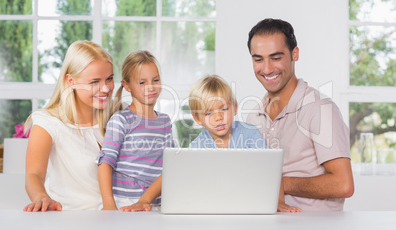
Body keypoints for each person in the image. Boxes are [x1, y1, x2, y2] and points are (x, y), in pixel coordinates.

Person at [246, 18, 354, 211]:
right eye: (258, 59)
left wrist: (280, 184)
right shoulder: (254, 117)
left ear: (294, 54)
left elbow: (343, 184)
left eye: (276, 58)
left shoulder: (320, 109)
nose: (267, 68)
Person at [23, 40, 115, 212]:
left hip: (116, 219)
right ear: (71, 81)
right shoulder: (49, 122)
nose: (105, 89)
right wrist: (41, 196)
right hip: (67, 220)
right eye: (94, 82)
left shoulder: (117, 118)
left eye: (109, 79)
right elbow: (33, 175)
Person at [188, 74, 302, 212]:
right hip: (214, 207)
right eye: (208, 113)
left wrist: (278, 201)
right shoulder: (196, 147)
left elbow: (271, 168)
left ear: (235, 108)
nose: (218, 117)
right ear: (197, 118)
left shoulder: (249, 133)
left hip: (251, 203)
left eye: (224, 109)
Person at [97, 50, 174, 212]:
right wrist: (109, 205)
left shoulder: (165, 122)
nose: (151, 87)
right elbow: (105, 164)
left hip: (155, 203)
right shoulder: (121, 120)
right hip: (123, 203)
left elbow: (170, 166)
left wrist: (147, 200)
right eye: (142, 82)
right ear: (126, 86)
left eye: (155, 80)